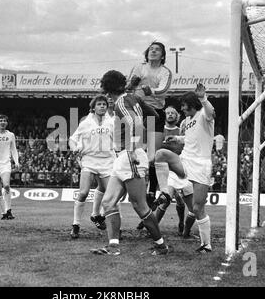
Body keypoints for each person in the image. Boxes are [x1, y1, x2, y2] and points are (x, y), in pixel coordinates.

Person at [90, 70, 173, 256]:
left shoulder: (121, 102)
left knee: (140, 206)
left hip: (130, 155)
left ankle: (161, 246)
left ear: (106, 87)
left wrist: (132, 148)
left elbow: (136, 123)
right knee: (108, 202)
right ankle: (113, 247)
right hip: (124, 157)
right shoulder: (133, 98)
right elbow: (154, 116)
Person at [153, 83, 215, 253]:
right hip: (185, 160)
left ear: (191, 103)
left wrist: (203, 98)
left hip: (201, 164)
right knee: (160, 154)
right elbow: (189, 139)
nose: (182, 109)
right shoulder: (186, 120)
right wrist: (177, 139)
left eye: (184, 106)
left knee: (197, 208)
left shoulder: (204, 114)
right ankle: (165, 192)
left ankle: (206, 245)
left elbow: (211, 113)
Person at [137, 106, 195, 237]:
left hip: (179, 168)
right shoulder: (159, 131)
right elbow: (153, 148)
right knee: (164, 199)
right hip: (163, 170)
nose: (169, 115)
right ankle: (152, 228)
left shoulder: (181, 131)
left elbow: (185, 146)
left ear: (177, 116)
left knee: (181, 201)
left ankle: (182, 224)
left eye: (172, 113)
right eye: (167, 113)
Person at [127, 41, 173, 206]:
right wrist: (132, 84)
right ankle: (136, 187)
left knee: (153, 157)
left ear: (162, 55)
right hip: (137, 111)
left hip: (154, 113)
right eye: (151, 49)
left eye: (157, 50)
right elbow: (128, 87)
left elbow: (163, 89)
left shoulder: (165, 72)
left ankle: (153, 191)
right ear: (147, 53)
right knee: (133, 154)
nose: (153, 51)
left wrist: (150, 90)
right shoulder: (139, 67)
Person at [68, 94, 116, 238]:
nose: (102, 106)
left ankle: (100, 216)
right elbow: (72, 139)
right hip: (89, 160)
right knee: (83, 192)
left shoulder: (112, 122)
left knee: (111, 194)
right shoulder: (86, 123)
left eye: (104, 104)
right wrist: (74, 148)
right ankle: (76, 225)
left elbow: (119, 139)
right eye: (99, 104)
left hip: (107, 161)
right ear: (93, 108)